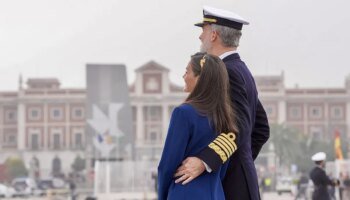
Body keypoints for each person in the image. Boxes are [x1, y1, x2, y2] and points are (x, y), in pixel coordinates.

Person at [173, 6, 270, 200]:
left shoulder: (228, 72)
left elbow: (239, 126)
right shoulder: (242, 70)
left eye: (204, 31)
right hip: (240, 181)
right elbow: (261, 129)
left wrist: (206, 161)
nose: (200, 37)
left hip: (231, 186)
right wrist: (242, 161)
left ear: (214, 35)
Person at [157, 53, 238, 200]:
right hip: (216, 193)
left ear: (200, 78)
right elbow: (222, 166)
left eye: (187, 71)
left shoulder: (183, 112)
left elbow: (167, 165)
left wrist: (163, 195)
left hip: (184, 193)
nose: (184, 76)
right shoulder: (225, 116)